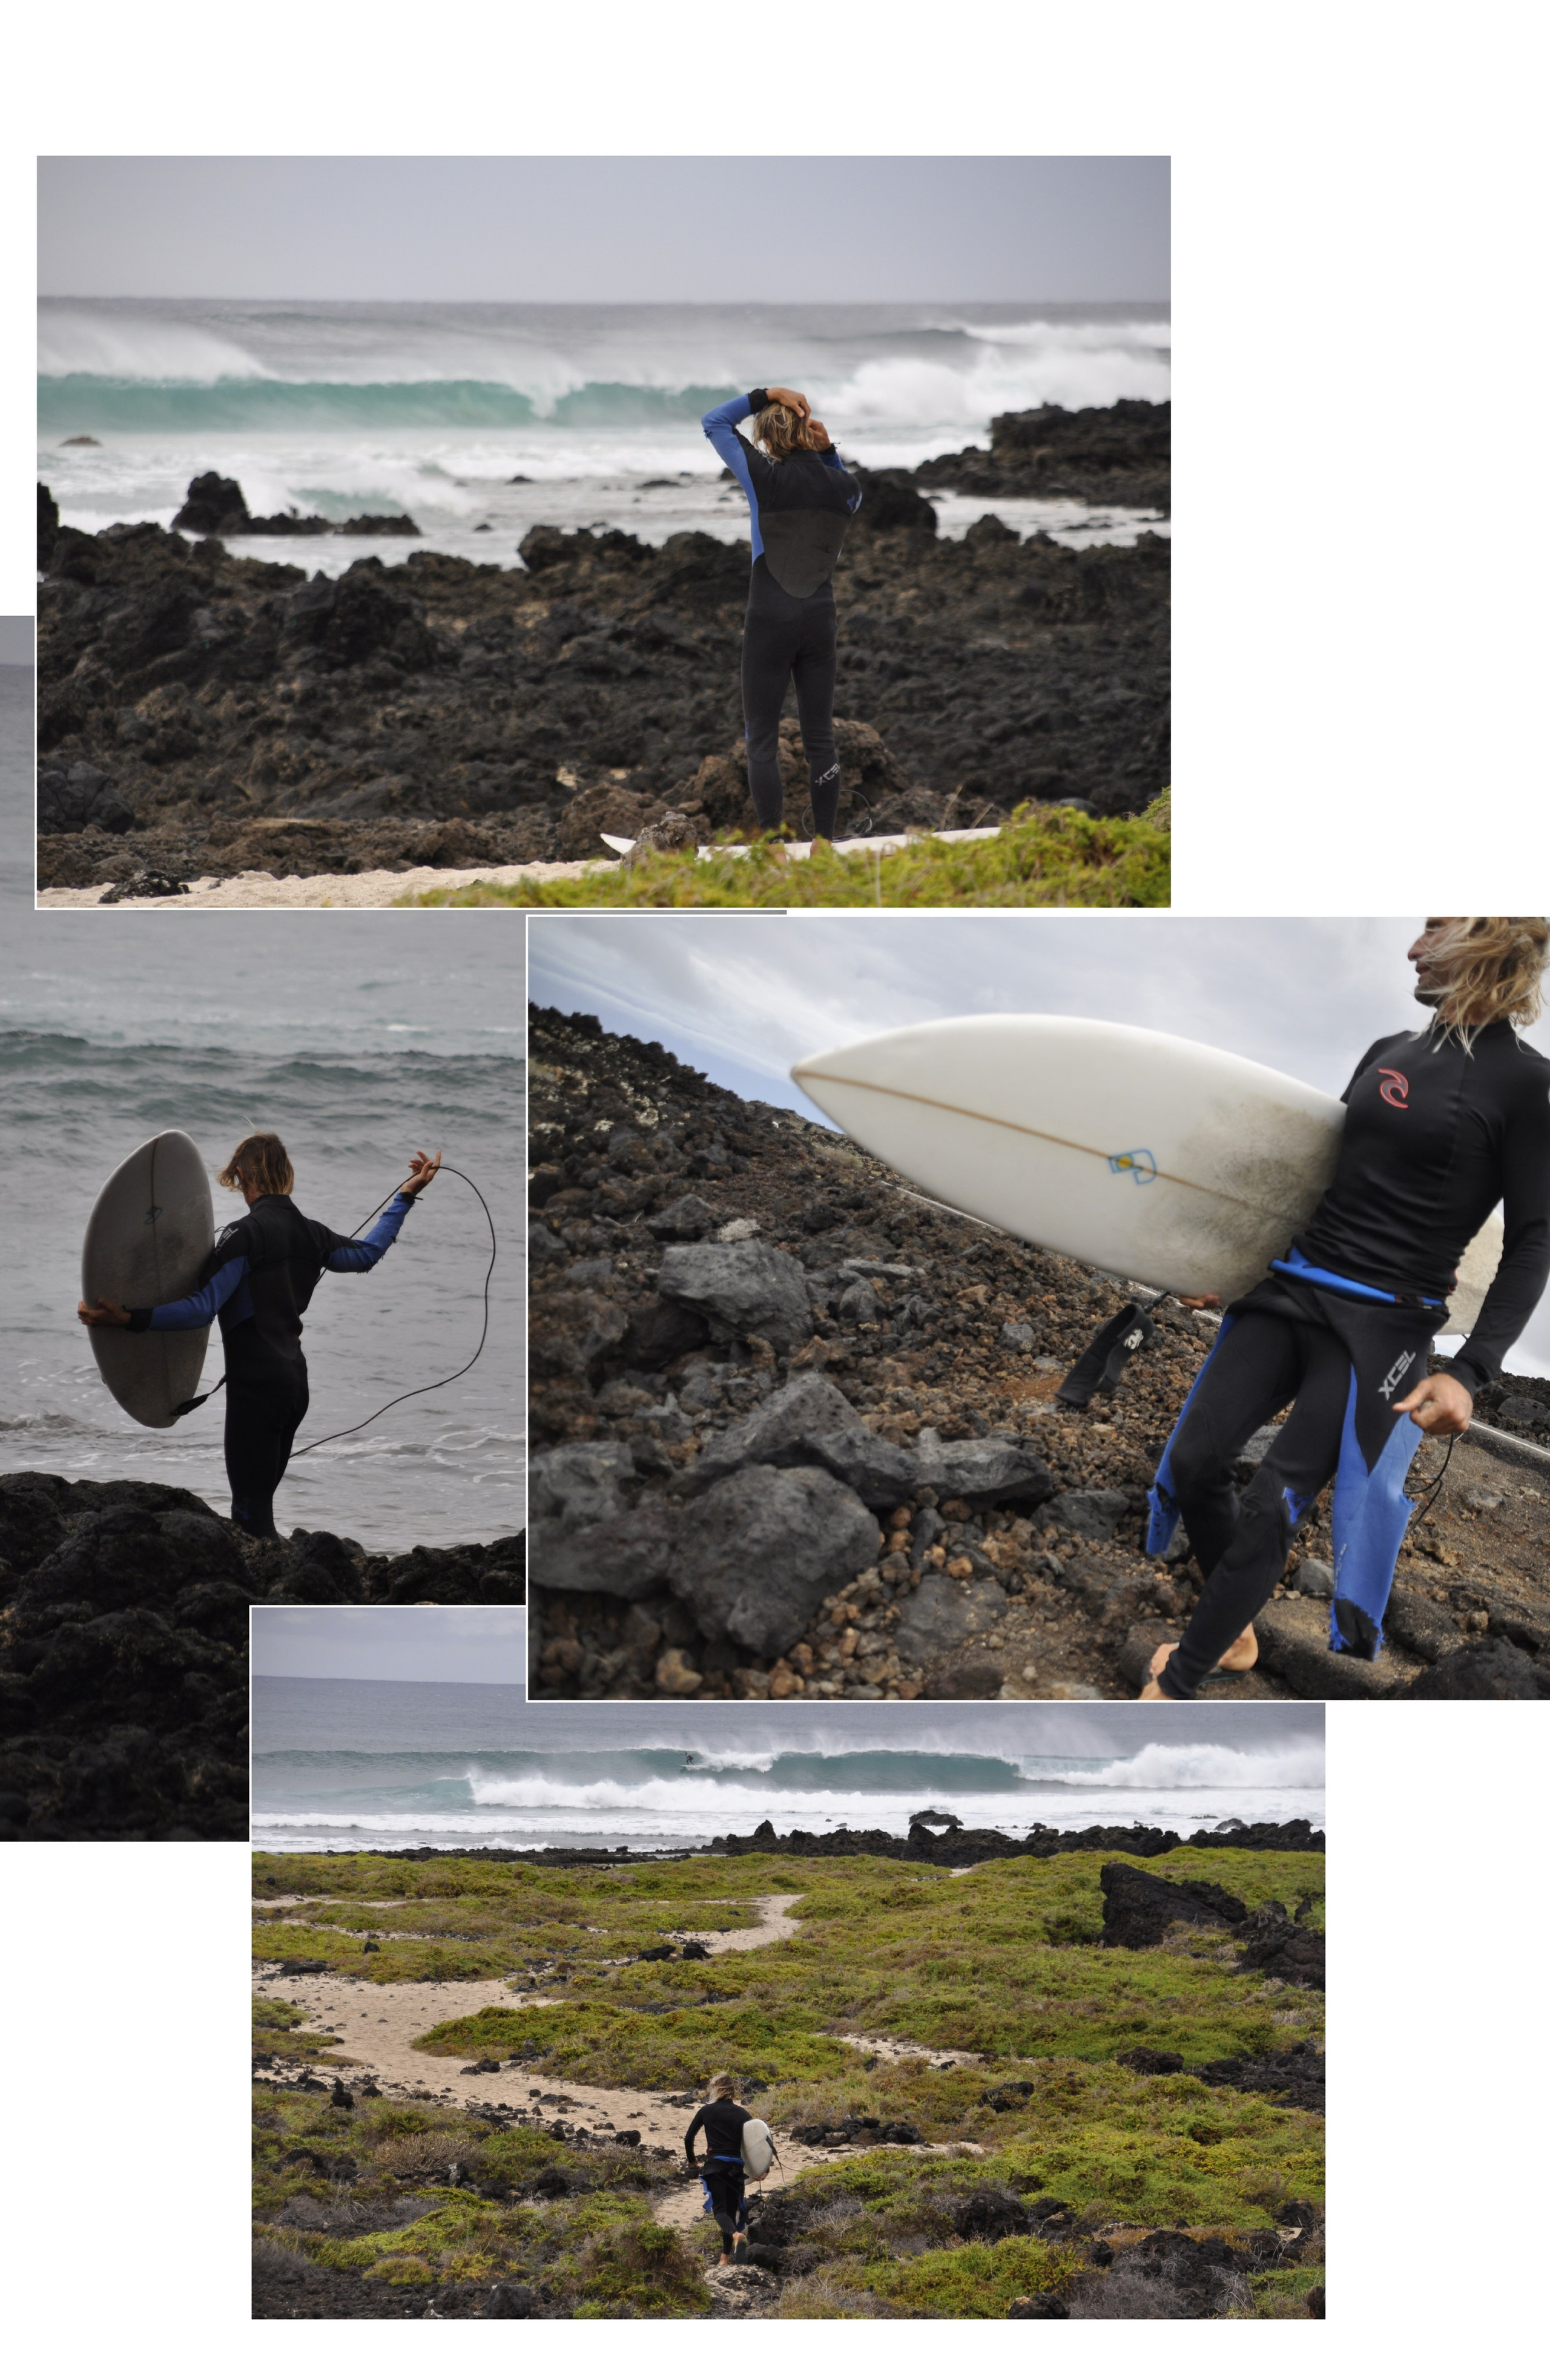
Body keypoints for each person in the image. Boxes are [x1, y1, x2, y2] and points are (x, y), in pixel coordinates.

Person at [1140, 916, 1550, 1699]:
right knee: (1195, 1464)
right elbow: (1312, 1179)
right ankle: (1234, 1632)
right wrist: (1222, 1267)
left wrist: (1471, 1371)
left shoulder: (1528, 1085)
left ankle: (1181, 1681)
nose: (1412, 947)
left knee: (1273, 1505)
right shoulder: (1387, 1051)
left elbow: (1534, 1241)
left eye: (1436, 928)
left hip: (1384, 1328)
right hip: (1293, 1287)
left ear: (1491, 934)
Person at [77, 1131, 440, 1539]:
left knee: (250, 1520)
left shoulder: (242, 1236)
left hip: (257, 1390)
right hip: (294, 1388)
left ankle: (265, 1598)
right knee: (260, 1513)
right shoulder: (313, 1233)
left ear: (242, 1175)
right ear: (286, 1175)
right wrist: (406, 1195)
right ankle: (282, 1586)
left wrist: (129, 1318)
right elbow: (367, 1254)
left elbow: (201, 1309)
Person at [701, 383, 863, 841]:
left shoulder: (764, 477)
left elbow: (713, 422)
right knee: (820, 739)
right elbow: (853, 497)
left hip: (770, 618)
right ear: (809, 435)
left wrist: (765, 393)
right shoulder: (845, 487)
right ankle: (824, 846)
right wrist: (828, 451)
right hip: (820, 620)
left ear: (768, 441)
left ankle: (773, 848)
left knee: (763, 742)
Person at [684, 2072, 754, 2264]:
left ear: (714, 2089)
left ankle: (736, 2236)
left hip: (716, 2167)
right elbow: (757, 2143)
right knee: (731, 2212)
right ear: (733, 2091)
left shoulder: (706, 2111)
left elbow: (688, 2138)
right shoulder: (743, 2114)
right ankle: (725, 2258)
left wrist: (692, 2161)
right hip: (736, 2168)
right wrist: (762, 2170)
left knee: (721, 2212)